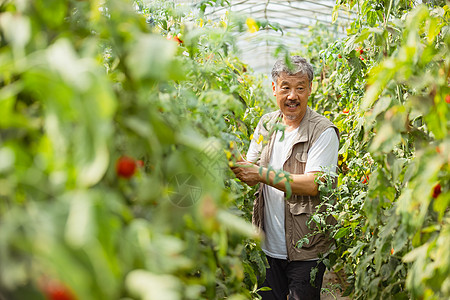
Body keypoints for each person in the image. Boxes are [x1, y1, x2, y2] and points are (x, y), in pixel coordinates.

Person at [232, 56, 339, 300]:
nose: (293, 96)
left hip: (307, 250)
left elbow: (314, 184)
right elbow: (251, 173)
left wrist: (259, 173)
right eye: (286, 87)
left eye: (300, 88)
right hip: (268, 246)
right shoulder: (266, 124)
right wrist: (231, 158)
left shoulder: (322, 132)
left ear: (310, 89)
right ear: (274, 88)